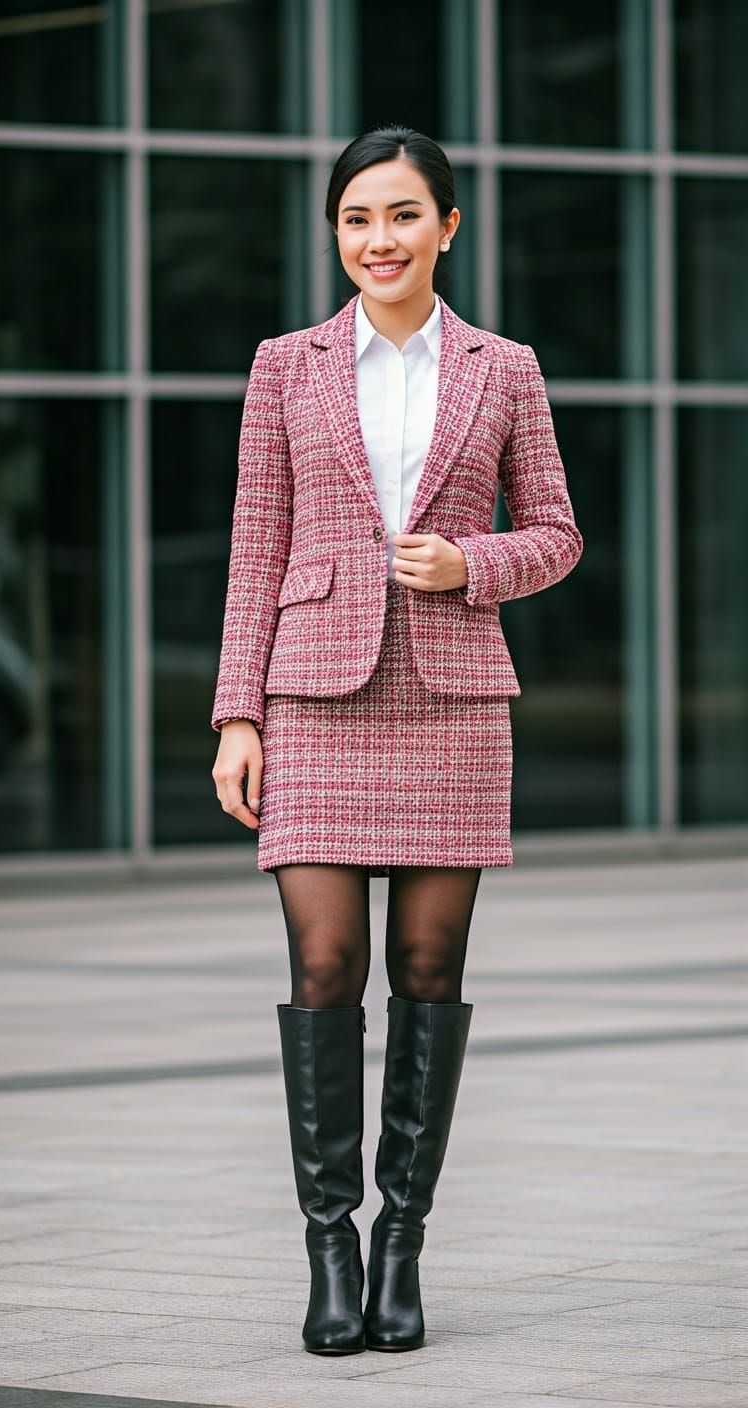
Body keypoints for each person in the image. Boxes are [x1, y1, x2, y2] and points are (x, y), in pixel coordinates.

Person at [211, 124, 583, 1356]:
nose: (381, 239)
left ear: (447, 228)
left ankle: (402, 1245)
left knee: (425, 975)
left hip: (454, 703)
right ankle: (330, 1243)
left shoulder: (504, 367)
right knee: (325, 970)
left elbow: (559, 532)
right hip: (313, 698)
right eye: (359, 217)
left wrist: (470, 562)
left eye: (404, 216)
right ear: (336, 231)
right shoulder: (284, 365)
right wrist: (236, 712)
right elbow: (255, 545)